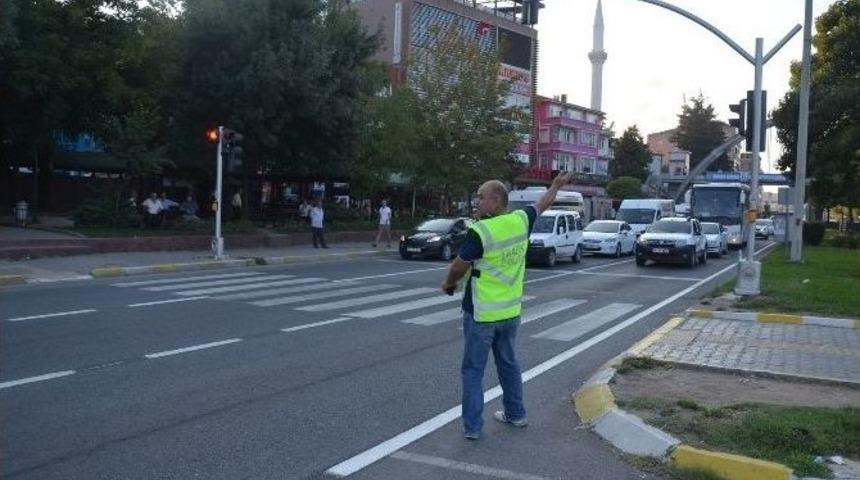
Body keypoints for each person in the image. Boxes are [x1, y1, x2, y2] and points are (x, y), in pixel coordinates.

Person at [440, 171, 574, 440]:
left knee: (472, 371)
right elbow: (544, 203)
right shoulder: (521, 220)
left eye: (481, 197)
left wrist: (449, 284)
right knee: (509, 365)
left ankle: (473, 428)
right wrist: (555, 185)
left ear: (497, 200)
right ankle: (516, 414)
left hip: (481, 314)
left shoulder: (481, 231)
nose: (476, 202)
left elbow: (458, 265)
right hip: (510, 313)